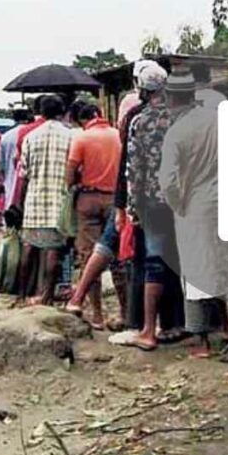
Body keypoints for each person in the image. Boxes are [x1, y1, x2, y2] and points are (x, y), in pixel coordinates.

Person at [159, 71, 228, 358]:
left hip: (194, 205)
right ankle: (226, 323)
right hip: (223, 199)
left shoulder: (177, 132)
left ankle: (201, 340)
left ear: (171, 98)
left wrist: (178, 204)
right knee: (219, 263)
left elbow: (168, 180)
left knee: (196, 270)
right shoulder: (217, 120)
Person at [109, 61, 186, 351]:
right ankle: (191, 324)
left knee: (153, 263)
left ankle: (148, 330)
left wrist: (129, 209)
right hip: (182, 201)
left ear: (142, 89)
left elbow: (133, 169)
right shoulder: (181, 116)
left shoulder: (139, 120)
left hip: (152, 204)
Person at [64, 102, 124, 329]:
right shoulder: (118, 135)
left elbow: (70, 175)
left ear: (81, 120)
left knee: (89, 257)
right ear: (98, 114)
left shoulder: (81, 139)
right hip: (115, 200)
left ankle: (97, 314)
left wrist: (76, 183)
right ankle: (124, 312)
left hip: (87, 200)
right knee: (118, 257)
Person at [18, 95, 74, 306]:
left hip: (34, 197)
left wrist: (21, 202)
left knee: (29, 247)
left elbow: (24, 172)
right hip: (59, 199)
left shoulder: (31, 137)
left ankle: (23, 295)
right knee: (53, 249)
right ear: (61, 112)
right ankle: (47, 296)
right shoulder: (70, 136)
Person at [0, 108, 33, 212]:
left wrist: (1, 174)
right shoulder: (30, 133)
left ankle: (9, 224)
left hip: (9, 173)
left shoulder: (5, 136)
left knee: (9, 198)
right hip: (25, 173)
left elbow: (0, 162)